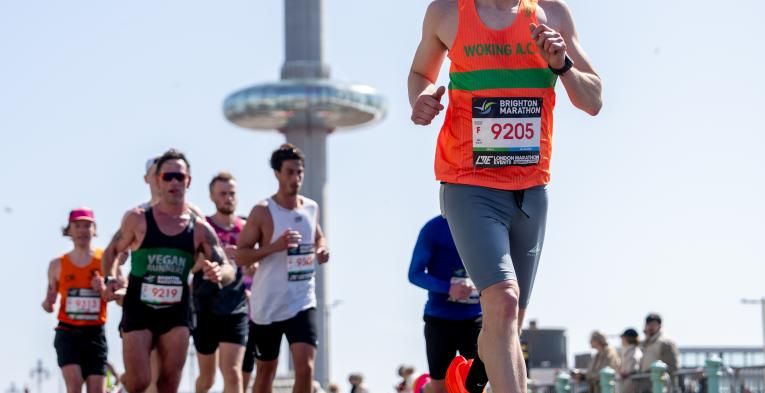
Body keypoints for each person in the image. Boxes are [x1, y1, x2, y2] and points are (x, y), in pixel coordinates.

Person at [407, 0, 602, 392]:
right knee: (504, 302)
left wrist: (562, 65)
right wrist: (422, 99)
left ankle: (474, 379)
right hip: (469, 181)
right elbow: (419, 74)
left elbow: (593, 100)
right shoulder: (447, 12)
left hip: (531, 189)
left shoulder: (553, 14)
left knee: (508, 322)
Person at [102, 149, 236, 393]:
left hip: (176, 310)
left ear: (189, 181)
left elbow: (228, 268)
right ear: (157, 181)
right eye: (168, 176)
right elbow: (112, 251)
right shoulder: (138, 219)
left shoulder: (199, 229)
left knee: (169, 384)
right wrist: (110, 278)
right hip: (139, 308)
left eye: (180, 177)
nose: (174, 182)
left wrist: (219, 272)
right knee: (140, 381)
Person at [237, 144, 330, 393]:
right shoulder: (262, 211)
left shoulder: (311, 207)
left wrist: (322, 249)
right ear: (277, 173)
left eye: (299, 172)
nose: (295, 178)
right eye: (289, 172)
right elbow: (241, 255)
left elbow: (318, 236)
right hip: (268, 304)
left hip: (302, 300)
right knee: (266, 371)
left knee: (306, 367)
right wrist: (273, 246)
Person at [408, 216, 481, 393]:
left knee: (475, 386)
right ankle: (424, 388)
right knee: (440, 387)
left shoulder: (485, 224)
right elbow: (415, 274)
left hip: (475, 318)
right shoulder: (434, 229)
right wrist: (448, 288)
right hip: (440, 319)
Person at [193, 172, 250, 393]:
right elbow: (191, 265)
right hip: (205, 304)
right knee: (207, 378)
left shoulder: (245, 229)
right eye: (222, 194)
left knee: (233, 373)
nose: (228, 198)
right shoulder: (203, 227)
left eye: (232, 193)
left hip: (235, 305)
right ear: (212, 197)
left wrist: (245, 258)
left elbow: (255, 268)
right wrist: (208, 259)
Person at [42, 208, 109, 393]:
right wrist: (48, 303)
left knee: (96, 389)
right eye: (77, 226)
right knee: (74, 384)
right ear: (69, 231)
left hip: (95, 332)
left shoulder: (104, 261)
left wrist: (103, 288)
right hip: (68, 331)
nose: (82, 230)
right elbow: (49, 303)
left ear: (94, 230)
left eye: (87, 225)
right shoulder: (57, 264)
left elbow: (117, 294)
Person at [639, 313, 679, 391]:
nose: (650, 327)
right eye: (648, 324)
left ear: (660, 326)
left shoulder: (665, 342)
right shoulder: (645, 343)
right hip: (647, 384)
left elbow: (671, 367)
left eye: (653, 324)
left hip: (660, 385)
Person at [618, 328, 642, 393]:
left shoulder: (634, 352)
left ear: (627, 338)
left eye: (622, 338)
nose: (621, 340)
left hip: (630, 387)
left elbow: (631, 371)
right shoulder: (629, 351)